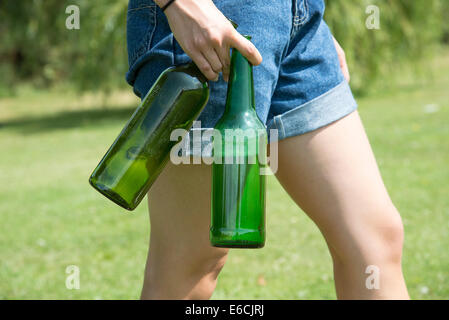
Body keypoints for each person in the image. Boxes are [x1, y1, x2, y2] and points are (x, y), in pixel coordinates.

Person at [125, 0, 409, 299]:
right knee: (189, 265)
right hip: (214, 17)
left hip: (297, 22)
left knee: (375, 240)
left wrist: (290, 19)